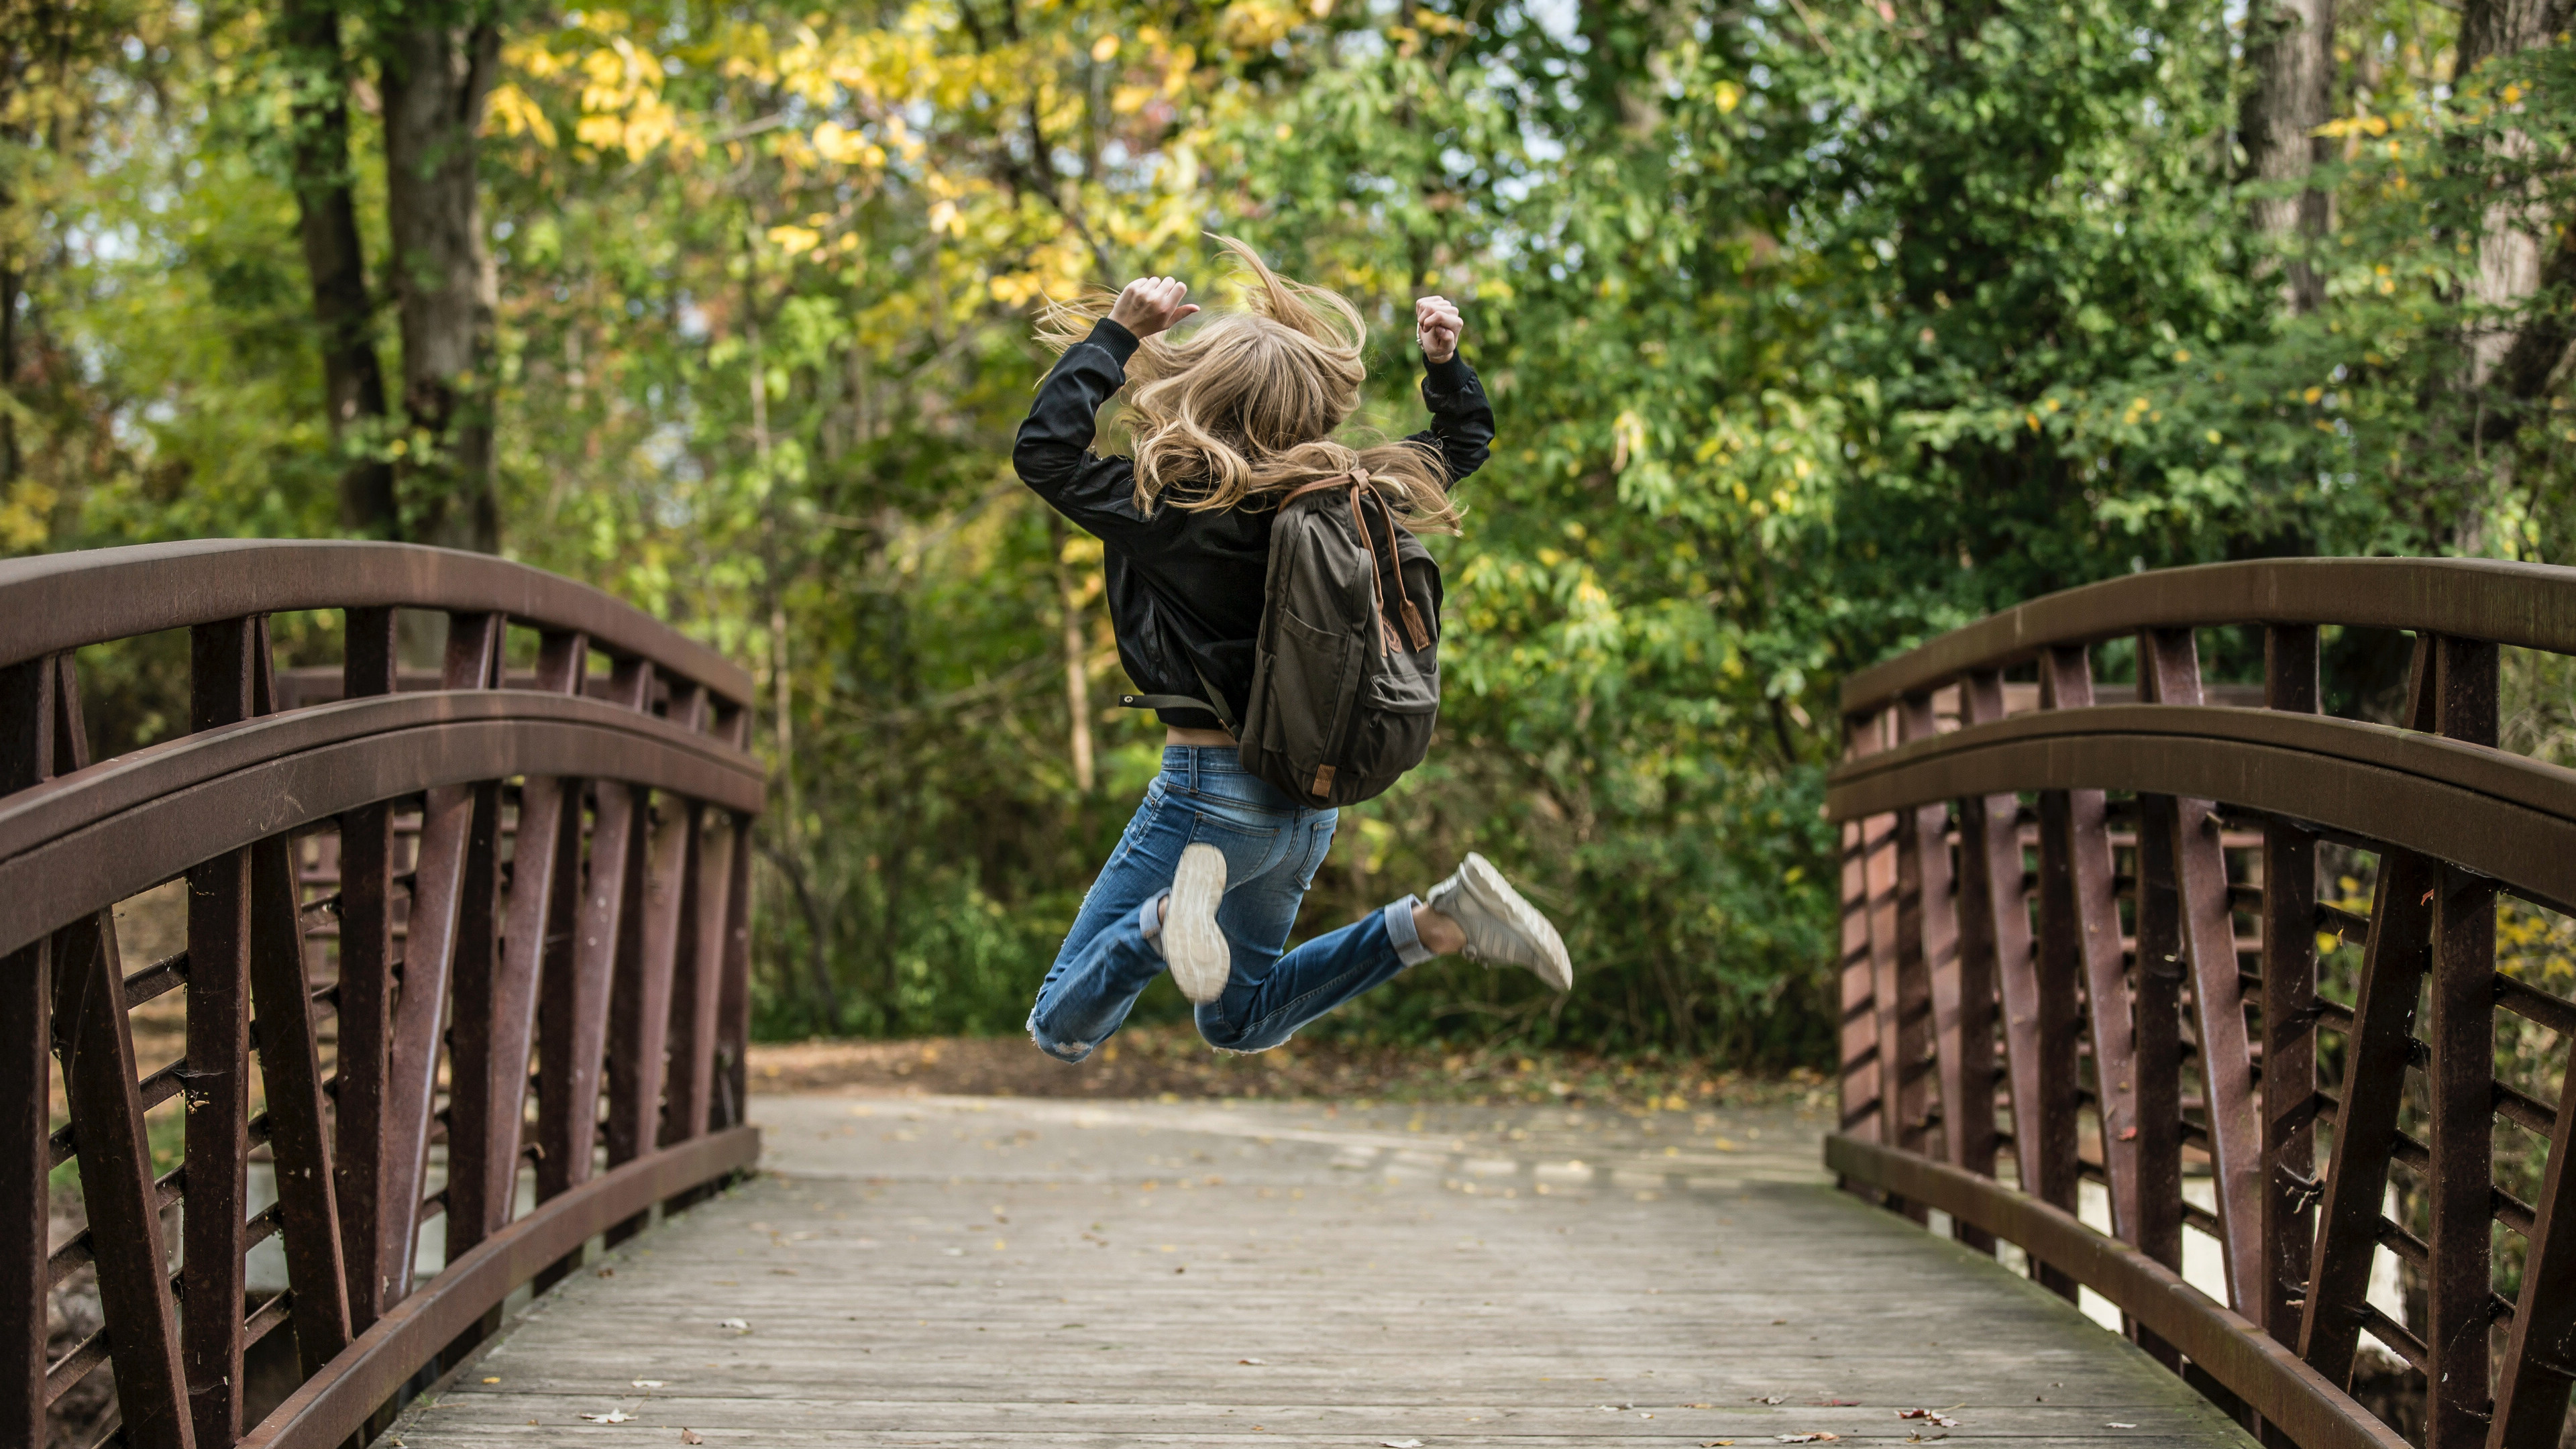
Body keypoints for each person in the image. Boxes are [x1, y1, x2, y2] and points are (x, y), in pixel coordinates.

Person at [1014, 237, 1572, 1063]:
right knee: (1238, 1020)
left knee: (1059, 1026)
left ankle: (1167, 921)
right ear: (1311, 403)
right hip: (1305, 806)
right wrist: (1445, 367)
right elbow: (1460, 447)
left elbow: (1045, 454)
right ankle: (1439, 922)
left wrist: (1118, 334)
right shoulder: (1355, 496)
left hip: (1207, 799)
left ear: (1201, 391)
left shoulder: (1167, 506)